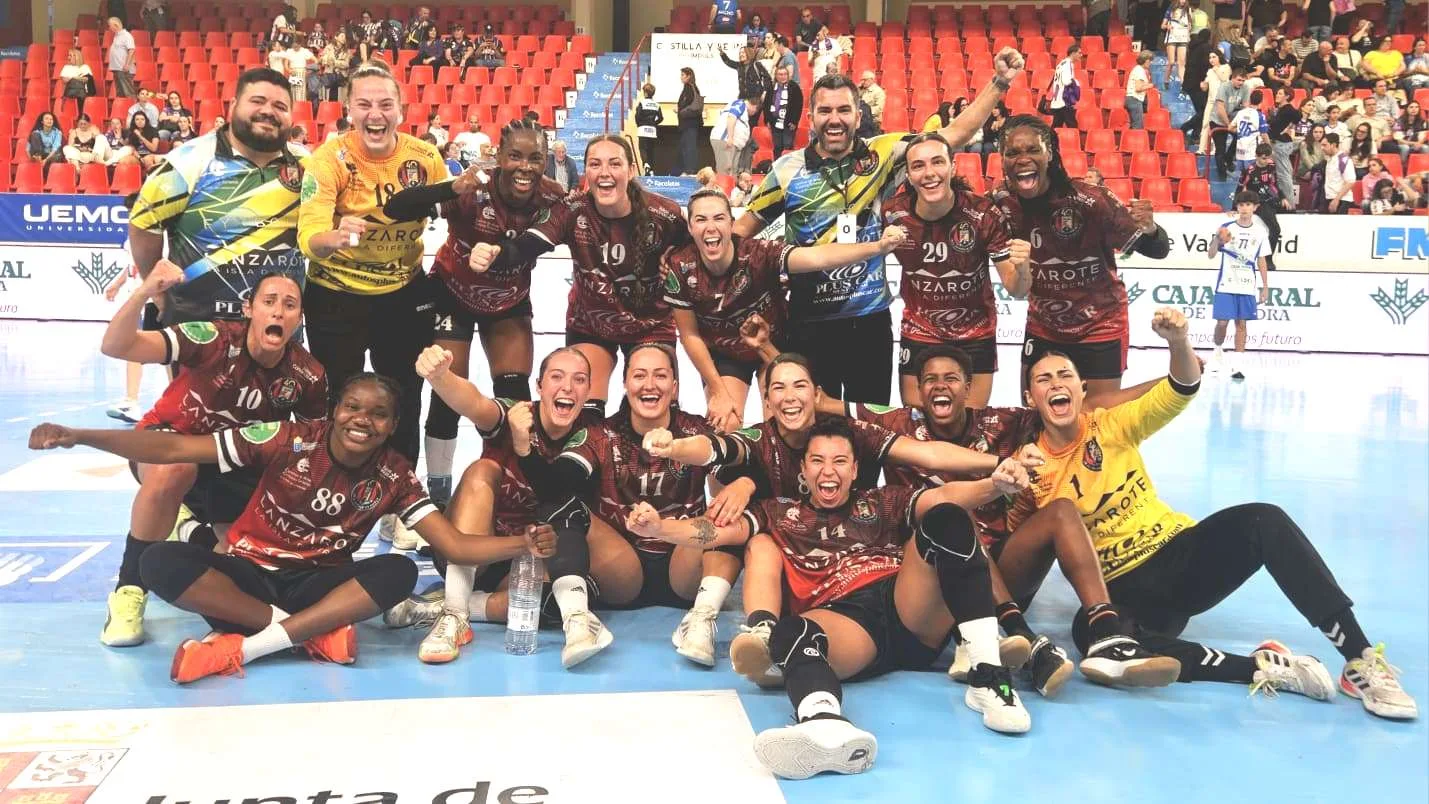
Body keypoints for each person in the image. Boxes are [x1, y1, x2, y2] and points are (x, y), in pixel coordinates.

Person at [1018, 308, 1418, 721]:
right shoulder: (1026, 466)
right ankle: (1261, 668)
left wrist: (1178, 342)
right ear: (1030, 398)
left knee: (1264, 520)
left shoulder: (1111, 424)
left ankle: (1359, 659)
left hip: (1178, 556)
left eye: (1064, 375)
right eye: (1044, 379)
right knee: (1092, 638)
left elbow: (1183, 385)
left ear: (1082, 389)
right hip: (1117, 589)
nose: (1056, 384)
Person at [28, 374, 545, 684]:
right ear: (335, 411)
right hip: (247, 579)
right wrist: (81, 436)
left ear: (392, 426)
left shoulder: (394, 474)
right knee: (157, 561)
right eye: (352, 407)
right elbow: (174, 447)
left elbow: (453, 544)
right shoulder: (288, 437)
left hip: (315, 583)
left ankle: (247, 645)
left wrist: (521, 543)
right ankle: (306, 636)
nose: (362, 420)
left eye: (379, 414)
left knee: (396, 573)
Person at [632, 416, 1037, 779]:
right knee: (788, 632)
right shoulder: (778, 512)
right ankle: (824, 725)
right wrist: (660, 529)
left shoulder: (883, 501)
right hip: (849, 624)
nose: (829, 471)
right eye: (818, 461)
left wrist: (994, 484)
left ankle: (989, 678)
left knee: (948, 516)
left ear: (855, 469)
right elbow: (715, 532)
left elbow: (941, 497)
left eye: (840, 461)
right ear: (804, 470)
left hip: (905, 606)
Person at [734, 51, 1027, 404]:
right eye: (825, 111)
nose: (834, 119)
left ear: (859, 116)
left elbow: (954, 135)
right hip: (809, 322)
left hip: (869, 323)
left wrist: (1000, 82)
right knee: (816, 425)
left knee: (871, 425)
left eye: (844, 110)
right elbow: (740, 234)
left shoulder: (883, 152)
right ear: (810, 117)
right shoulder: (786, 170)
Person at [93, 264, 327, 648]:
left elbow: (312, 448)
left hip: (234, 464)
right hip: (168, 444)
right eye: (269, 302)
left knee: (242, 559)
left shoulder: (308, 374)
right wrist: (144, 291)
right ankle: (128, 590)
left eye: (289, 305)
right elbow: (116, 346)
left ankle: (188, 530)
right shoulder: (213, 338)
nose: (278, 312)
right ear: (248, 308)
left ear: (299, 317)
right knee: (175, 470)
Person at [510, 345, 741, 667]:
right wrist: (523, 447)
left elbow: (748, 465)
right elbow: (553, 487)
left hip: (684, 567)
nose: (650, 385)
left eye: (660, 375)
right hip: (621, 570)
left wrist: (744, 484)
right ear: (625, 383)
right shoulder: (600, 434)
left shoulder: (696, 431)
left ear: (675, 386)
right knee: (562, 503)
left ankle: (702, 619)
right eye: (639, 375)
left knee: (732, 514)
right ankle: (578, 622)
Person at [298, 61, 449, 549]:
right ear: (348, 110)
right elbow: (308, 237)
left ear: (401, 110)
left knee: (403, 397)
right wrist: (334, 236)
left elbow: (457, 208)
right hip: (335, 296)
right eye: (364, 104)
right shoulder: (328, 160)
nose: (375, 113)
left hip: (403, 295)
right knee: (335, 399)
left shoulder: (425, 157)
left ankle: (399, 507)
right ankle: (328, 498)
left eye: (385, 104)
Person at [381, 119, 565, 508]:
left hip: (509, 302)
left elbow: (542, 243)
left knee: (514, 398)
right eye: (515, 156)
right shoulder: (472, 187)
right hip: (452, 295)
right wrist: (449, 187)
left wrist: (501, 254)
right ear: (498, 156)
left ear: (546, 160)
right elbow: (395, 208)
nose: (525, 167)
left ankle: (508, 486)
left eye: (535, 158)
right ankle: (438, 497)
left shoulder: (553, 196)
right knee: (448, 395)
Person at [386, 346, 610, 665]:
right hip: (472, 550)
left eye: (579, 380)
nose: (567, 387)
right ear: (539, 386)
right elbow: (475, 403)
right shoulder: (516, 413)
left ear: (588, 391)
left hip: (528, 560)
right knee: (482, 469)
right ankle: (454, 615)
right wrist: (441, 377)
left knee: (564, 597)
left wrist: (523, 447)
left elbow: (555, 487)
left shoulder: (591, 433)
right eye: (557, 377)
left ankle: (438, 608)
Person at [665, 188, 910, 433]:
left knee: (788, 423)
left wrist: (878, 247)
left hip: (772, 343)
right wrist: (718, 391)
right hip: (725, 353)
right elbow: (689, 335)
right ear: (690, 228)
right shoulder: (679, 265)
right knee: (725, 423)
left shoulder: (759, 253)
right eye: (701, 219)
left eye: (718, 218)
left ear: (731, 223)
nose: (710, 227)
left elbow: (818, 257)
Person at [471, 135, 688, 410]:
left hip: (651, 325)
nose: (605, 172)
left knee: (656, 410)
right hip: (591, 324)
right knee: (584, 411)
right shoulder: (572, 209)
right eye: (595, 164)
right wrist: (496, 253)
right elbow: (527, 246)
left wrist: (675, 259)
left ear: (631, 170)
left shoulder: (665, 214)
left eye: (615, 164)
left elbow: (694, 256)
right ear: (586, 171)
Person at [994, 114, 1170, 404]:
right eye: (1012, 153)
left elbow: (1158, 250)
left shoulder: (1092, 201)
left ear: (1050, 154)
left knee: (1097, 419)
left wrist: (1150, 228)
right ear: (1002, 160)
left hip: (1100, 326)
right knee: (1034, 416)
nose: (1022, 159)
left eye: (1033, 150)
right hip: (1043, 327)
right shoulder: (1001, 203)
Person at [129, 68, 306, 329]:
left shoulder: (307, 165)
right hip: (197, 327)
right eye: (257, 101)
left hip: (276, 332)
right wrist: (157, 289)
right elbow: (144, 225)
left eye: (280, 106)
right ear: (233, 105)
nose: (268, 111)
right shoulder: (186, 161)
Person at [880, 134, 1030, 409]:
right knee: (917, 424)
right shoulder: (892, 214)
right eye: (918, 166)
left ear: (953, 166)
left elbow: (1017, 289)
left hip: (976, 333)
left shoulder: (983, 214)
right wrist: (879, 247)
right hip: (920, 331)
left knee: (969, 422)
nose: (929, 173)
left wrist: (1023, 269)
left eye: (937, 162)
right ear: (909, 176)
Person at [1208, 192, 1270, 379]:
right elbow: (1211, 254)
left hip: (1247, 284)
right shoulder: (1226, 227)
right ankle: (1217, 352)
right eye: (1241, 205)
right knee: (1222, 323)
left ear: (1255, 207)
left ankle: (1238, 365)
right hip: (1226, 283)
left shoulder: (1260, 232)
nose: (1244, 208)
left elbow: (1261, 260)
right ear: (1237, 207)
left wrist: (1265, 286)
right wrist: (1217, 240)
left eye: (1248, 205)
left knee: (1241, 324)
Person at [1236, 142, 1289, 269]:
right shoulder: (1249, 171)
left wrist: (1282, 197)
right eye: (1263, 158)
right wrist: (1235, 207)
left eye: (1268, 157)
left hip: (1271, 198)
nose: (1266, 161)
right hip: (1258, 202)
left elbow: (1275, 183)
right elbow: (1240, 188)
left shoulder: (1271, 166)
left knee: (1290, 209)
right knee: (1275, 229)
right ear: (1257, 156)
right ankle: (1267, 260)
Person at [711, 92, 754, 176]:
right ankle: (723, 184)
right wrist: (730, 138)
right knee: (725, 168)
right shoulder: (740, 104)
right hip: (725, 140)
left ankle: (731, 184)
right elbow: (731, 118)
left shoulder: (742, 108)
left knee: (733, 170)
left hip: (734, 143)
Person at [764, 65, 802, 159]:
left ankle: (787, 166)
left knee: (787, 146)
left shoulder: (794, 87)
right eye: (780, 74)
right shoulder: (771, 87)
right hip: (774, 122)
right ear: (776, 76)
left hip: (789, 123)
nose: (783, 76)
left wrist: (794, 121)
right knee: (777, 147)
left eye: (785, 74)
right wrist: (767, 120)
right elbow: (766, 104)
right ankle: (777, 165)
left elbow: (798, 106)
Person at [677, 68, 704, 176]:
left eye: (683, 75)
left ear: (689, 76)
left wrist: (681, 111)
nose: (681, 77)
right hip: (688, 123)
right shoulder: (690, 88)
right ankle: (688, 170)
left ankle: (690, 171)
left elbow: (688, 105)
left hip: (690, 123)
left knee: (689, 147)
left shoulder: (689, 88)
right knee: (685, 147)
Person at [634, 83, 663, 174]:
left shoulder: (642, 103)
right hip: (652, 131)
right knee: (651, 150)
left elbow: (637, 116)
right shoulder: (657, 105)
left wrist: (640, 124)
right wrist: (654, 124)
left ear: (645, 93)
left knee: (642, 148)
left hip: (643, 130)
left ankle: (646, 164)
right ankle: (651, 170)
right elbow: (661, 118)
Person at [1163, 0, 1194, 86]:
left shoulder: (1188, 10)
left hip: (1183, 38)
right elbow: (1163, 25)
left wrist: (1189, 27)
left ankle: (1183, 84)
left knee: (1182, 63)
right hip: (1172, 38)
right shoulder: (1171, 8)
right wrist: (1167, 26)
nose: (1183, 1)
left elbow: (1190, 25)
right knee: (1171, 62)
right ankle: (1166, 80)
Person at [107, 17, 137, 99]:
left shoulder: (126, 35)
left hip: (123, 69)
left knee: (128, 93)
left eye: (110, 26)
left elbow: (131, 50)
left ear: (116, 25)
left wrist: (127, 64)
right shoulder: (117, 36)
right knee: (120, 94)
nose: (109, 28)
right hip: (118, 69)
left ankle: (132, 106)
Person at [1126, 50, 1154, 129]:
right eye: (1150, 61)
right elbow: (1138, 88)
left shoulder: (1138, 69)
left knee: (1135, 125)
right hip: (1135, 100)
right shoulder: (1139, 71)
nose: (1151, 63)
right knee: (1137, 127)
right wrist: (1151, 85)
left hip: (1133, 100)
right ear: (1146, 60)